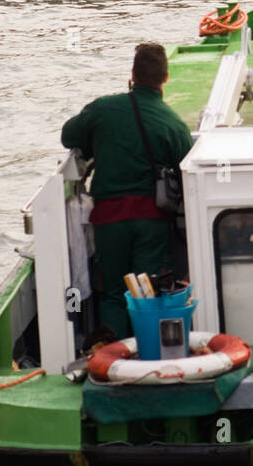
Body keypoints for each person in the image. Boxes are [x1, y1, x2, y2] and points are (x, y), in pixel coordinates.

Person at [61, 43, 193, 337]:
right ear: (165, 78)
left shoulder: (103, 109)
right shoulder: (173, 123)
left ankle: (114, 354)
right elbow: (188, 170)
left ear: (132, 74)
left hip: (109, 221)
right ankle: (149, 352)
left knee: (112, 292)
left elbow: (68, 136)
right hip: (151, 222)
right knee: (148, 291)